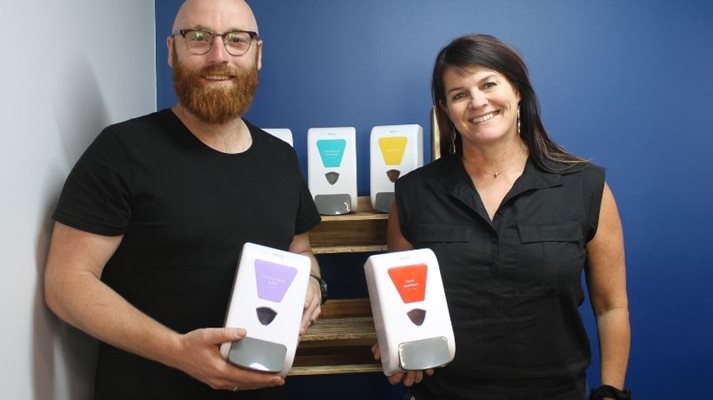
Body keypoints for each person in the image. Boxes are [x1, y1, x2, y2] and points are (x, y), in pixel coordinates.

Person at [43, 1, 324, 399]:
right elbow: (65, 284)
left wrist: (311, 280)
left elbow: (299, 247)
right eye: (198, 38)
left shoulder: (280, 158)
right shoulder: (121, 151)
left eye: (236, 40)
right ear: (171, 50)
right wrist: (178, 352)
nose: (218, 55)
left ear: (257, 54)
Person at [378, 34, 631, 400]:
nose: (477, 101)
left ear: (518, 91)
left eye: (489, 83)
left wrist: (611, 392)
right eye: (459, 94)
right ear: (445, 111)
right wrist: (396, 345)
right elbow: (401, 307)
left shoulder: (586, 187)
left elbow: (612, 307)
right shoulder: (414, 193)